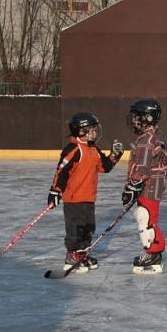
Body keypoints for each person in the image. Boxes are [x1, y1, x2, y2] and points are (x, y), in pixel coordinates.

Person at [48, 113, 123, 272]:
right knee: (76, 228)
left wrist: (115, 155)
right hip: (74, 199)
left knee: (88, 227)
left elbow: (104, 167)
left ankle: (82, 254)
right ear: (80, 131)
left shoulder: (94, 149)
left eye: (95, 129)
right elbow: (62, 171)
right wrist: (55, 191)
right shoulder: (73, 149)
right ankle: (72, 255)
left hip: (89, 197)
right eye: (91, 129)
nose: (94, 132)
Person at [122, 99, 167, 274]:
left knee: (145, 218)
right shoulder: (155, 136)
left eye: (137, 117)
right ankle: (154, 252)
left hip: (148, 186)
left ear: (147, 118)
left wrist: (132, 186)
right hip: (153, 185)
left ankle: (153, 253)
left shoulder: (145, 139)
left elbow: (142, 167)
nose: (134, 121)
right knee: (148, 217)